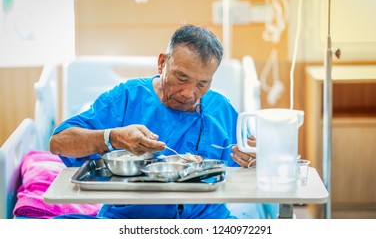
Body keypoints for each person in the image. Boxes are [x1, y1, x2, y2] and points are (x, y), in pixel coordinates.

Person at [50, 24, 256, 219]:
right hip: (130, 220)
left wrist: (256, 158)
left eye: (202, 83)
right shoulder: (128, 97)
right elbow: (59, 142)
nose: (189, 94)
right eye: (181, 78)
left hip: (208, 221)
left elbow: (248, 165)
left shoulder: (220, 109)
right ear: (162, 63)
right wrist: (112, 137)